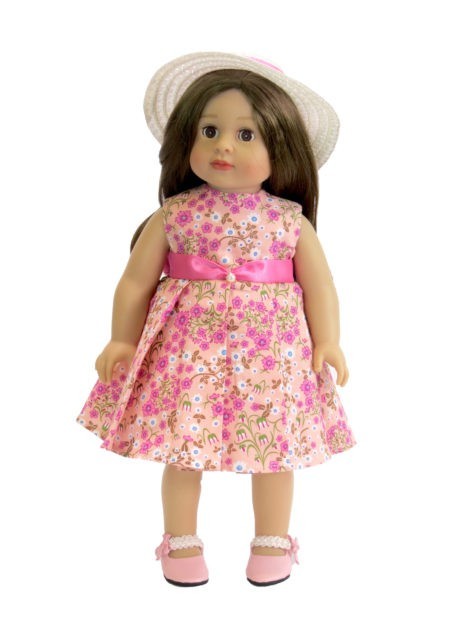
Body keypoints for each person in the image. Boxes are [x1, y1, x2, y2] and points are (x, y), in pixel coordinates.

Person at [77, 52, 357, 588]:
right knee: (183, 447)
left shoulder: (288, 220)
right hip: (188, 352)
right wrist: (121, 339)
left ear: (282, 147)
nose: (224, 146)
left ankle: (272, 539)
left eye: (246, 135)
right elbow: (135, 282)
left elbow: (320, 285)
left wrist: (329, 341)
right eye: (210, 131)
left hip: (271, 353)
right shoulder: (174, 214)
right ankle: (180, 541)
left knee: (273, 449)